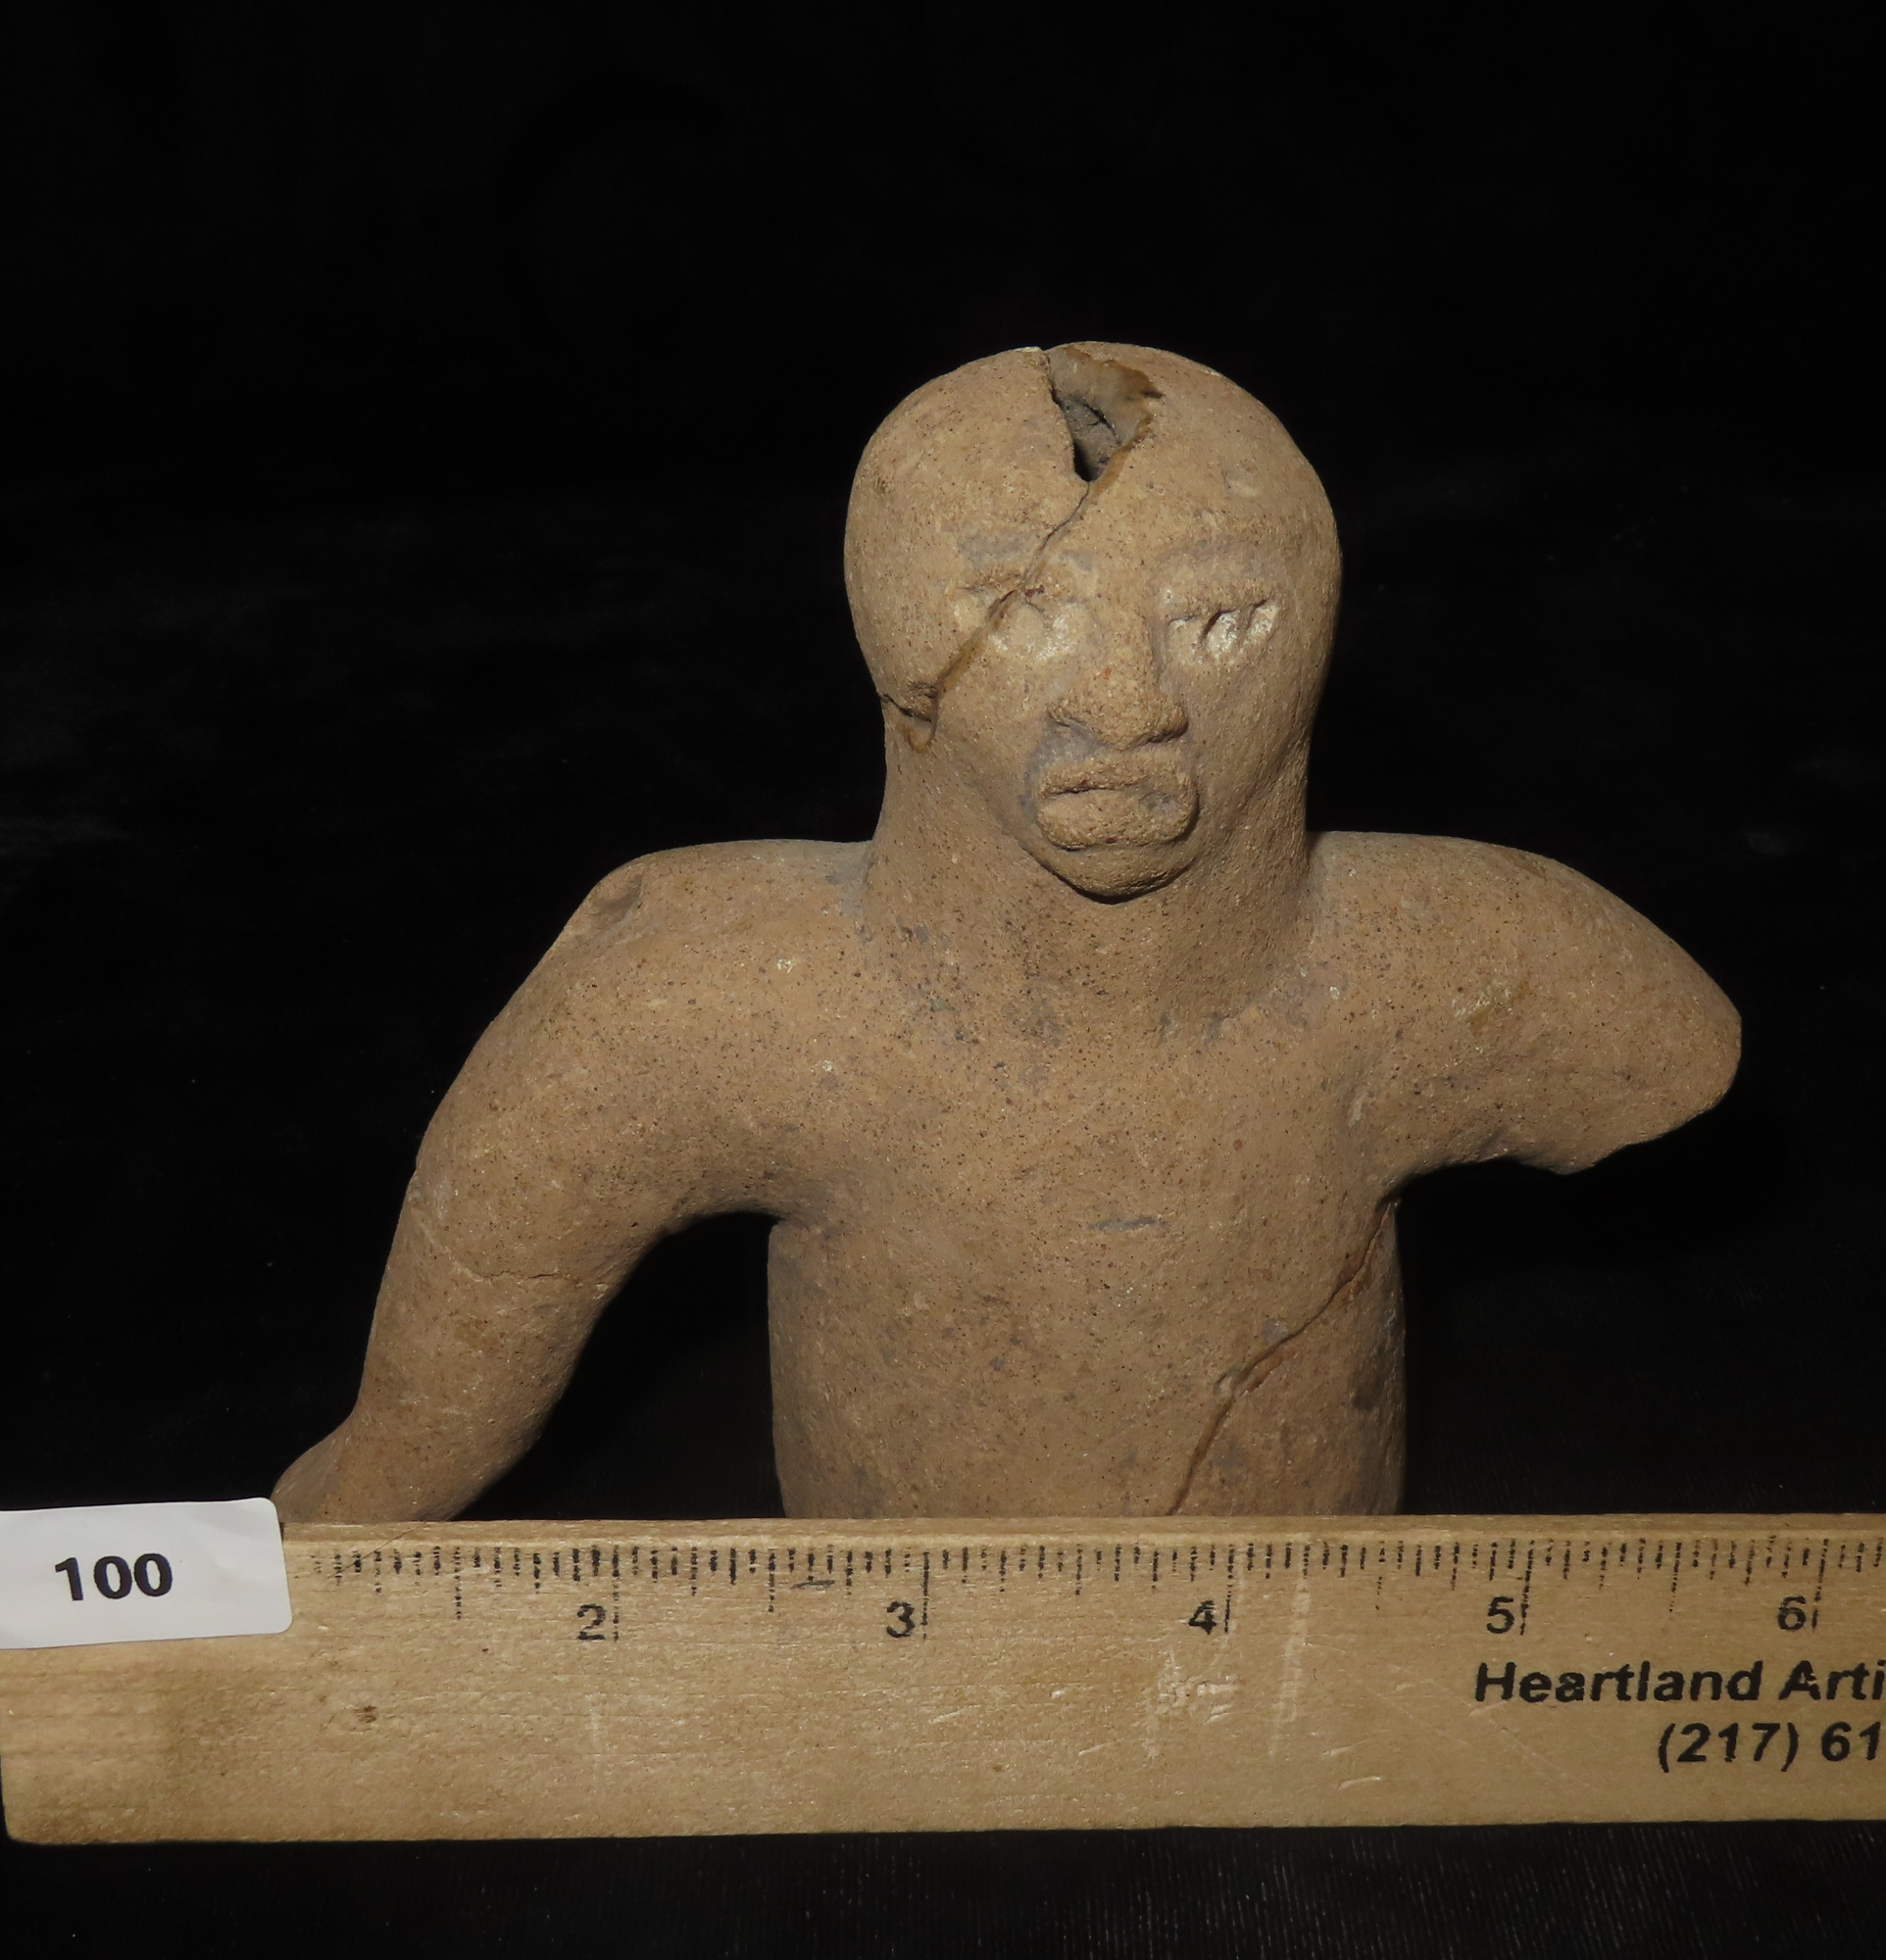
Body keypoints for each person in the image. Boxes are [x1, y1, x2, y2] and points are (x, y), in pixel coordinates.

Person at [273, 344, 1737, 1522]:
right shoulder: (708, 998)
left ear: (1314, 642)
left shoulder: (1464, 965)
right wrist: (323, 1536)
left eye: (1220, 622)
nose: (1128, 707)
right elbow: (428, 1407)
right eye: (1023, 613)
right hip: (898, 1685)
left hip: (1289, 1681)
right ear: (892, 636)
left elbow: (1671, 1049)